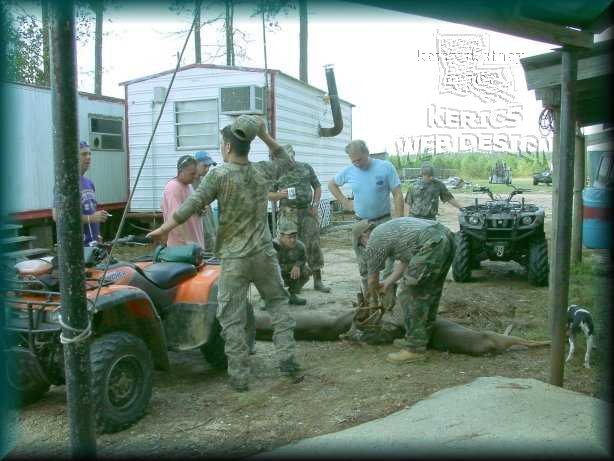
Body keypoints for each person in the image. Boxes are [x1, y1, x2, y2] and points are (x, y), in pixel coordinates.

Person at [147, 115, 300, 392]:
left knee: (232, 316)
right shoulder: (262, 171)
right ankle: (288, 362)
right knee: (278, 305)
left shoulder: (219, 175)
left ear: (228, 147)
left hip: (235, 258)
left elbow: (190, 205)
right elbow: (287, 161)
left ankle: (240, 376)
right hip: (264, 255)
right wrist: (264, 134)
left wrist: (163, 230)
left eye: (222, 143)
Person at [354, 217, 455, 364]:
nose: (364, 246)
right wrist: (387, 283)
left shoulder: (375, 240)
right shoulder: (390, 231)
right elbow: (405, 261)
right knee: (430, 290)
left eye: (360, 244)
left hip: (432, 242)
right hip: (445, 238)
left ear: (363, 235)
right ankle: (421, 337)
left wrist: (373, 294)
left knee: (409, 293)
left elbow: (371, 280)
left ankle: (415, 349)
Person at [328, 140, 404, 297]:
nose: (356, 163)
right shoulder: (349, 171)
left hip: (383, 221)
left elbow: (397, 194)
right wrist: (346, 202)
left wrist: (399, 221)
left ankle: (386, 297)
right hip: (361, 224)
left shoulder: (385, 167)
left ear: (367, 153)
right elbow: (331, 185)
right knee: (364, 263)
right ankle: (368, 297)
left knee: (388, 260)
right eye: (353, 160)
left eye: (359, 159)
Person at [268, 144, 330, 293]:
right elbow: (269, 195)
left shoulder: (306, 167)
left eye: (289, 157)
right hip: (288, 212)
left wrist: (315, 205)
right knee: (286, 246)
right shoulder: (275, 172)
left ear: (293, 155)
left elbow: (317, 187)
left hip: (307, 211)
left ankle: (318, 281)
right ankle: (290, 283)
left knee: (313, 245)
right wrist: (280, 195)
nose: (287, 160)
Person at [52, 141, 109, 246]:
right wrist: (90, 218)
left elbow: (91, 213)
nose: (88, 157)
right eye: (83, 154)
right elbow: (58, 216)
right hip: (76, 248)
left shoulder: (89, 183)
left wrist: (98, 236)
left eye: (89, 154)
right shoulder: (66, 183)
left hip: (93, 245)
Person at [160, 155, 204, 248]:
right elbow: (174, 217)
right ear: (181, 171)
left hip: (194, 245)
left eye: (196, 173)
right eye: (192, 173)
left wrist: (199, 210)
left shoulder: (188, 185)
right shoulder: (173, 188)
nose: (196, 176)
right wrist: (186, 241)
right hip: (182, 247)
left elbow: (187, 209)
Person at [273, 219, 311, 306]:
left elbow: (303, 258)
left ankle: (292, 295)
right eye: (289, 237)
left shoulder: (300, 246)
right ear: (281, 236)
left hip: (286, 271)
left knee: (306, 271)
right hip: (274, 273)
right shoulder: (273, 246)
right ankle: (265, 297)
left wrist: (297, 266)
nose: (293, 240)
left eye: (294, 236)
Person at [193, 151, 218, 251]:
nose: (207, 169)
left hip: (208, 223)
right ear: (195, 164)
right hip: (198, 226)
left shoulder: (203, 180)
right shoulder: (189, 182)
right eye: (205, 166)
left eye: (209, 166)